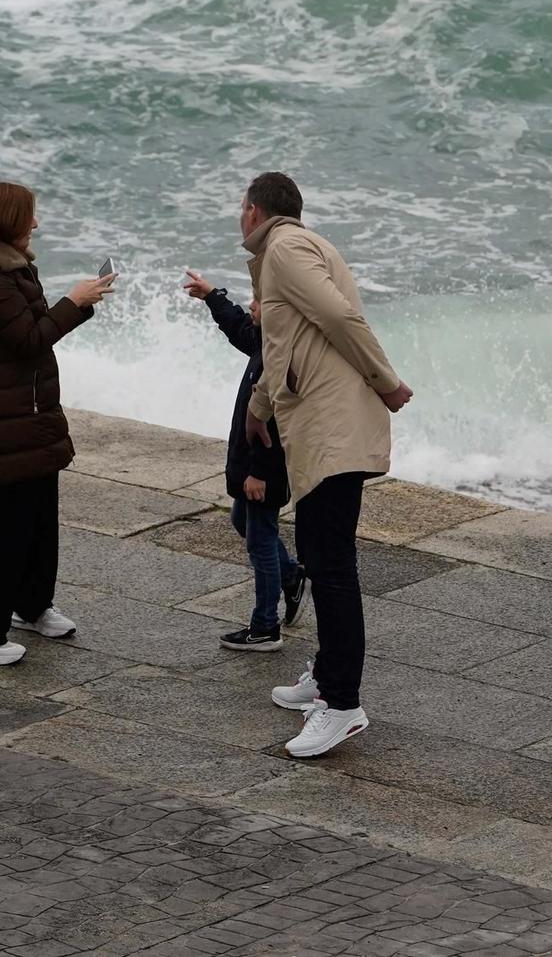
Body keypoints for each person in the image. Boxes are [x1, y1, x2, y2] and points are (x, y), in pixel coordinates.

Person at [239, 174, 412, 758]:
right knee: (317, 553)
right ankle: (326, 673)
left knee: (332, 566)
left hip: (335, 427)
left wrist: (385, 382)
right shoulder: (290, 250)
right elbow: (286, 347)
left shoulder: (284, 249)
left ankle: (342, 705)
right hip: (319, 426)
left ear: (254, 209)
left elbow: (339, 319)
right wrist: (260, 407)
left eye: (241, 207)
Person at [0, 184, 115, 666]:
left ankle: (31, 605)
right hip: (9, 416)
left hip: (31, 411)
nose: (35, 225)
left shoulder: (11, 266)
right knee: (2, 527)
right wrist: (75, 300)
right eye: (29, 218)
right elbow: (28, 339)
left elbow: (34, 329)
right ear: (6, 223)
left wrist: (78, 304)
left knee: (38, 515)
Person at [181, 270, 305, 651]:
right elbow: (238, 328)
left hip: (263, 470)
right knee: (241, 520)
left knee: (260, 541)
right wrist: (211, 296)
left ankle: (265, 627)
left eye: (258, 302)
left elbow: (272, 427)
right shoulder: (266, 342)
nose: (252, 305)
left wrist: (258, 474)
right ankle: (292, 575)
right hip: (252, 467)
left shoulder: (280, 357)